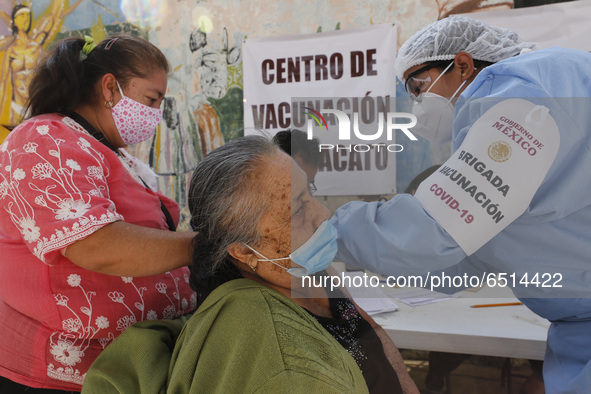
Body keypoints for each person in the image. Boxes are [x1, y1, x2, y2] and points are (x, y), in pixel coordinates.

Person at [329, 16, 591, 393]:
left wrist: (329, 229)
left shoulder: (518, 94)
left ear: (463, 65)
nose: (418, 105)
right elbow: (472, 249)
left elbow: (438, 229)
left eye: (419, 87)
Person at [81, 135, 419, 393]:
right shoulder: (269, 342)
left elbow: (373, 337)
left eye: (309, 193)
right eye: (297, 210)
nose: (322, 214)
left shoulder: (303, 272)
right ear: (243, 252)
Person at [0, 34, 195, 392]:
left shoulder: (110, 152)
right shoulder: (44, 138)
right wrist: (203, 247)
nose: (156, 114)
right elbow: (94, 244)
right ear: (109, 88)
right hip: (58, 376)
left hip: (125, 367)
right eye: (152, 99)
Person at [0, 1, 82, 128]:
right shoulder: (9, 50)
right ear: (14, 21)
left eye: (28, 16)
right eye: (21, 16)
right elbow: (4, 81)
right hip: (15, 108)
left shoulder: (36, 45)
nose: (25, 19)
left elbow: (54, 17)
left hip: (34, 105)